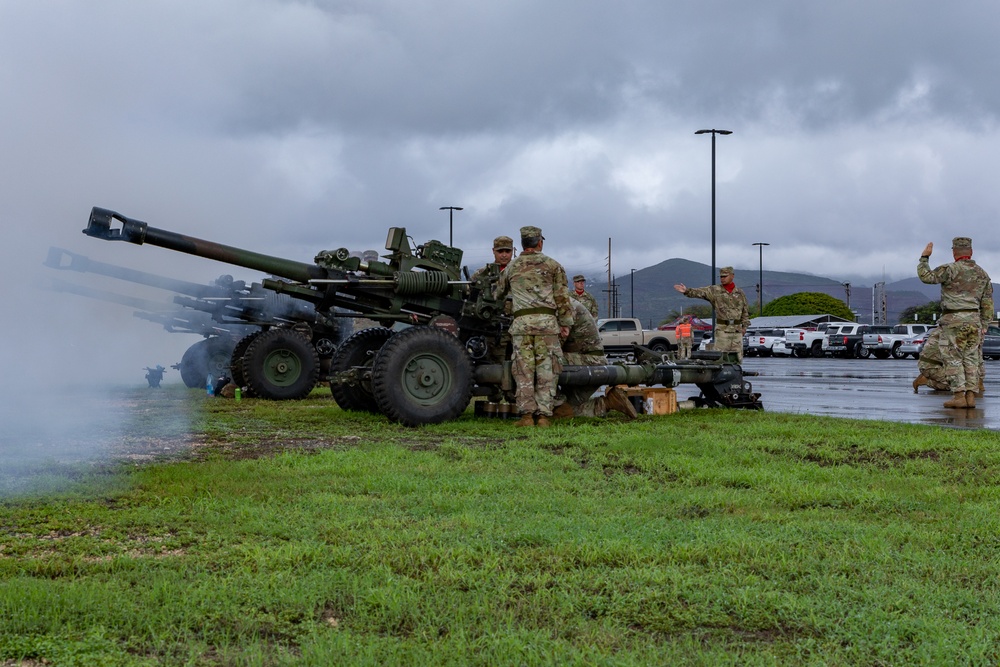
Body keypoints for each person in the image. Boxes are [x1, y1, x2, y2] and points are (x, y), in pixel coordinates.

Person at [494, 225, 574, 427]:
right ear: (540, 242)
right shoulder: (553, 266)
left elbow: (498, 294)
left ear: (521, 244)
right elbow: (562, 298)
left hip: (521, 326)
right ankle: (544, 416)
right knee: (547, 370)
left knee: (523, 370)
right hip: (547, 326)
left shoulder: (512, 267)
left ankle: (526, 416)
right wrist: (565, 324)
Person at [917, 237, 993, 408]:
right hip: (974, 321)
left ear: (954, 252)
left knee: (953, 357)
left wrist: (924, 257)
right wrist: (985, 324)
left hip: (953, 320)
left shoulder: (950, 269)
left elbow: (926, 277)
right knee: (971, 359)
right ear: (971, 252)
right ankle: (971, 396)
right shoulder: (982, 273)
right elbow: (987, 303)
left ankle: (959, 396)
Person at [553, 300, 637, 420]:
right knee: (570, 408)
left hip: (588, 364)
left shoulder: (563, 308)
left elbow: (552, 348)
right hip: (588, 364)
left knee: (544, 362)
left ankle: (606, 403)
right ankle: (610, 402)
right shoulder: (565, 303)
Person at [673, 267, 751, 361]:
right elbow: (700, 292)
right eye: (721, 277)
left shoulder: (740, 293)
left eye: (725, 276)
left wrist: (744, 328)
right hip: (722, 331)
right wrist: (687, 291)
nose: (722, 278)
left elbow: (745, 311)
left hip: (737, 331)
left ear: (732, 276)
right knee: (721, 357)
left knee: (737, 358)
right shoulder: (715, 290)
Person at [471, 235, 516, 365]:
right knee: (495, 367)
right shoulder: (482, 275)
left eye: (507, 251)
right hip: (493, 330)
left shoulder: (519, 273)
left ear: (512, 251)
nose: (504, 255)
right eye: (500, 251)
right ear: (493, 251)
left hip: (517, 329)